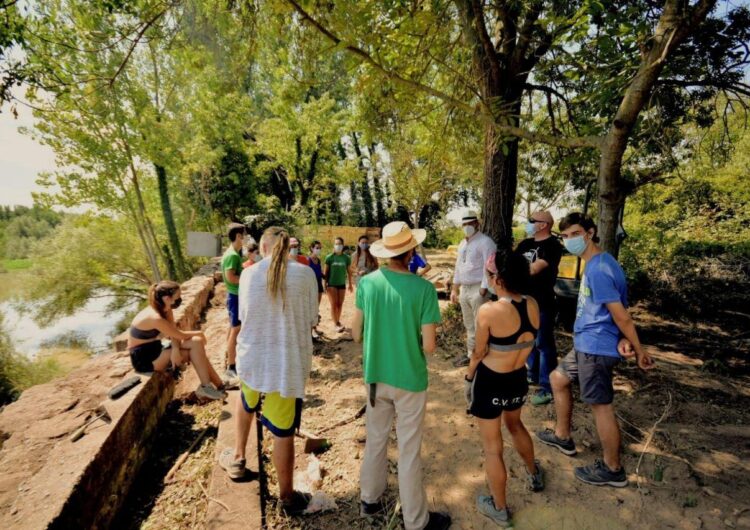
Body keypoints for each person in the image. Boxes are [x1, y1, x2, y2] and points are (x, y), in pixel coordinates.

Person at [536, 212, 655, 488]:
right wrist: (620, 339)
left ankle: (613, 469)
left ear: (590, 233)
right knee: (558, 378)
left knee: (601, 407)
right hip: (586, 343)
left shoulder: (600, 269)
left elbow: (622, 315)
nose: (569, 241)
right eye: (565, 236)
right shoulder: (596, 264)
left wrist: (638, 350)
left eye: (575, 234)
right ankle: (563, 436)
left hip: (595, 348)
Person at [352, 221, 451, 530]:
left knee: (376, 439)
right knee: (408, 450)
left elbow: (356, 333)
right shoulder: (424, 290)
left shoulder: (367, 284)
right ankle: (415, 521)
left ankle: (369, 499)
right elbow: (431, 346)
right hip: (410, 379)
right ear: (411, 251)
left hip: (375, 377)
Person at [219, 226, 319, 515]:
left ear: (262, 248)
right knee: (282, 432)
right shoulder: (305, 274)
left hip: (252, 357)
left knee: (246, 402)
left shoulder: (249, 274)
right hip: (285, 364)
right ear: (288, 248)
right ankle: (286, 498)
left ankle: (238, 457)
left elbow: (246, 316)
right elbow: (312, 318)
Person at [465, 250, 544, 527]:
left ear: (498, 279)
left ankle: (499, 508)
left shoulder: (489, 310)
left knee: (492, 448)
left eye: (489, 275)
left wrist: (468, 377)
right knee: (516, 425)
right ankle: (534, 473)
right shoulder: (532, 304)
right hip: (517, 378)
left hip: (490, 381)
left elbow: (478, 352)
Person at [128, 281, 225, 401]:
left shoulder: (166, 308)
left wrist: (175, 349)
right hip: (144, 357)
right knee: (195, 350)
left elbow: (173, 331)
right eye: (178, 297)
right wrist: (199, 333)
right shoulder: (155, 317)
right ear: (167, 298)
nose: (180, 299)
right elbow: (179, 335)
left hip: (155, 347)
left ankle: (216, 386)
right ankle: (209, 387)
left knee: (196, 343)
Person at [515, 211, 563, 406]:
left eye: (532, 221)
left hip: (542, 302)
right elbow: (512, 262)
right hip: (523, 301)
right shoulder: (526, 244)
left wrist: (515, 269)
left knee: (544, 344)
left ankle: (547, 387)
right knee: (528, 341)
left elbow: (535, 268)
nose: (528, 223)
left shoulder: (552, 246)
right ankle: (532, 373)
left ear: (544, 225)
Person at [450, 210, 497, 367]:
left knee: (481, 325)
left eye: (470, 223)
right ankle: (472, 355)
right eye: (464, 224)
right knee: (469, 324)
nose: (467, 227)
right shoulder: (462, 243)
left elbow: (489, 267)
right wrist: (454, 289)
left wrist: (483, 290)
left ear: (477, 223)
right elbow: (458, 267)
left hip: (478, 288)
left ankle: (482, 357)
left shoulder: (486, 242)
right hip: (465, 288)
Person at [221, 223, 245, 387]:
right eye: (244, 235)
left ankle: (229, 357)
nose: (246, 238)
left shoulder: (234, 254)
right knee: (236, 330)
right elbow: (231, 277)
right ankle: (231, 366)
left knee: (233, 328)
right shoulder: (233, 256)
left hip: (235, 295)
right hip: (235, 296)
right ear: (238, 236)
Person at [324, 237, 353, 333]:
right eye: (336, 244)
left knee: (340, 304)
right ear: (334, 245)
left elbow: (349, 272)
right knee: (334, 304)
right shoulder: (329, 257)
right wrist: (325, 284)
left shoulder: (346, 258)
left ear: (343, 245)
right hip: (332, 284)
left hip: (342, 284)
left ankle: (338, 320)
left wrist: (350, 284)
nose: (338, 245)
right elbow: (326, 273)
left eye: (340, 244)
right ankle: (335, 323)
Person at [308, 240, 324, 339]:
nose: (318, 250)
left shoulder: (318, 260)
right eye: (316, 247)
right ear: (311, 248)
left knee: (316, 307)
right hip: (310, 284)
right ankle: (310, 330)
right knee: (311, 307)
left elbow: (320, 272)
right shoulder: (307, 260)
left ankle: (314, 328)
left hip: (318, 283)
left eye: (319, 248)